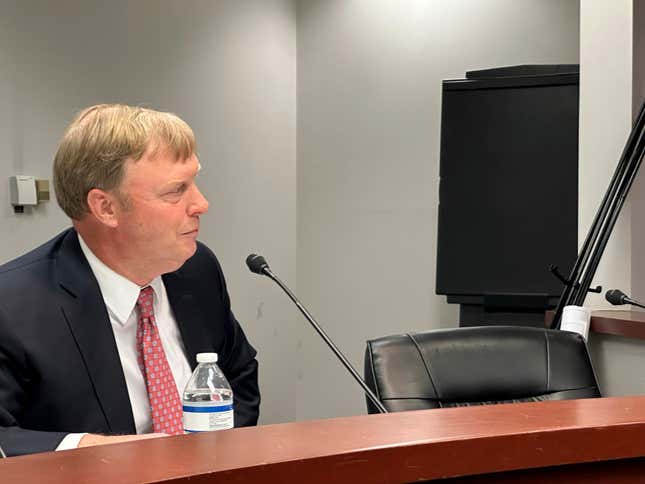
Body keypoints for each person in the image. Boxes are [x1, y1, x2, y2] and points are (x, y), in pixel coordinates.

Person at [0, 104, 260, 456]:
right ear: (105, 208)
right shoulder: (14, 304)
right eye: (175, 191)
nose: (201, 203)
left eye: (195, 182)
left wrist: (209, 460)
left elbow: (238, 374)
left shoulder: (197, 270)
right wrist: (93, 452)